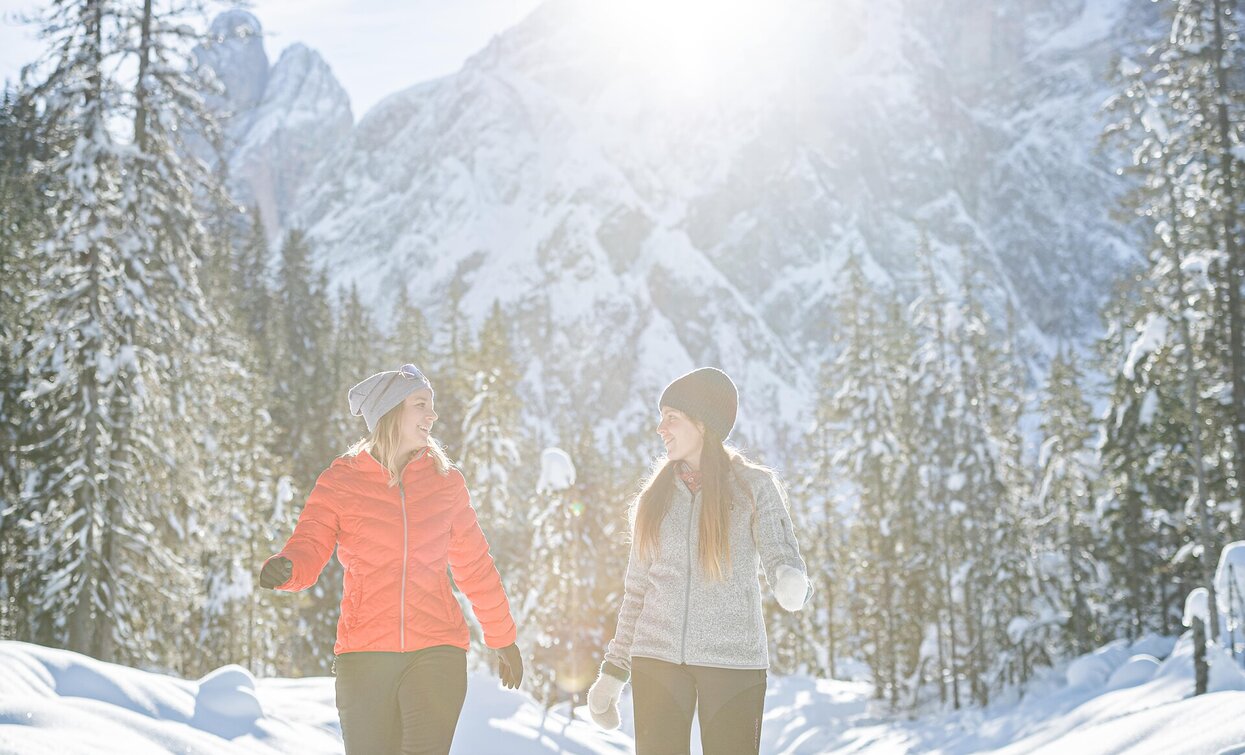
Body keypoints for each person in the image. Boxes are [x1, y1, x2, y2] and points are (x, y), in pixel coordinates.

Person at [259, 363, 523, 755]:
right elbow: (310, 543)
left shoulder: (446, 482)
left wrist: (503, 637)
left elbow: (475, 565)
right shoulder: (342, 480)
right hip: (365, 654)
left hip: (437, 649)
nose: (432, 415)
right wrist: (288, 567)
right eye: (421, 405)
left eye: (431, 406)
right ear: (390, 412)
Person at [586, 367, 811, 755]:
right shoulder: (653, 499)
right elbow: (637, 592)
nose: (661, 428)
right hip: (656, 660)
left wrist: (790, 581)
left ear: (703, 425)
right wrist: (613, 671)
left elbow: (782, 554)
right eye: (661, 418)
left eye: (671, 417)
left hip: (733, 663)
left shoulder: (752, 487)